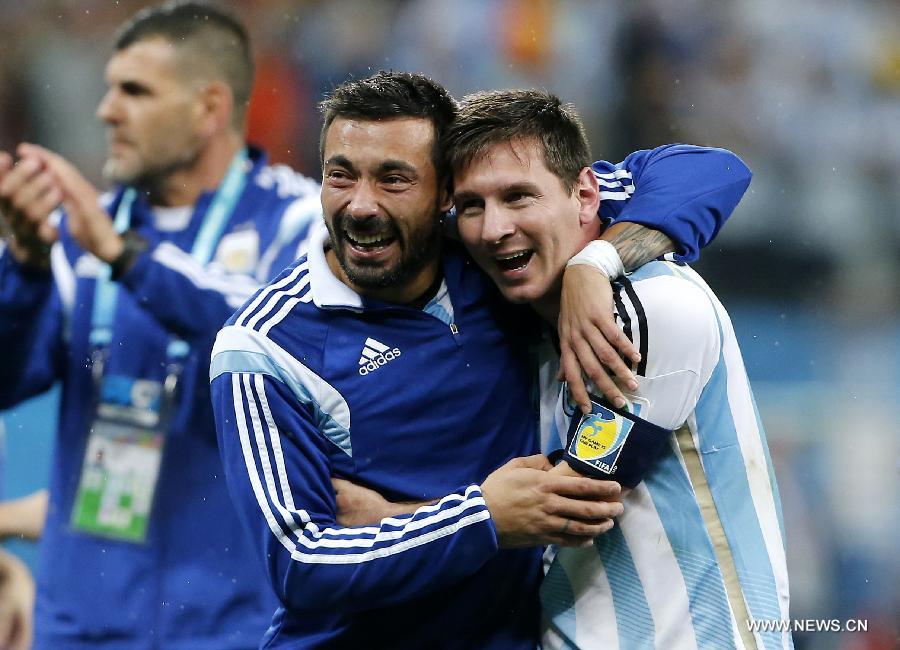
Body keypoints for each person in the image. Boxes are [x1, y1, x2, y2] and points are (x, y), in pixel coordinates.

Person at [210, 71, 751, 648]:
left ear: (442, 195)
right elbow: (300, 565)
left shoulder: (489, 253)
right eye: (340, 175)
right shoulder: (265, 346)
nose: (361, 205)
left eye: (394, 179)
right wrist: (482, 517)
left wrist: (594, 263)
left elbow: (711, 171)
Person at [0, 2, 322, 647]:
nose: (106, 111)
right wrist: (25, 273)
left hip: (236, 627)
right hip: (79, 628)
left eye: (135, 91)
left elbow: (277, 341)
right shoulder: (70, 235)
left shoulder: (299, 221)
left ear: (208, 108)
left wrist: (127, 259)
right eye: (108, 89)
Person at [446, 89, 791, 649]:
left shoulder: (653, 306)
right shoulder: (523, 318)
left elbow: (573, 501)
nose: (493, 228)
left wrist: (385, 518)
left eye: (518, 197)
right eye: (471, 206)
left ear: (585, 196)